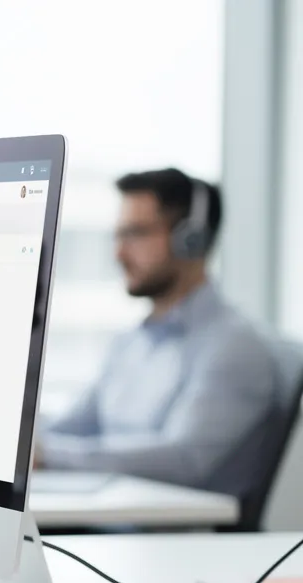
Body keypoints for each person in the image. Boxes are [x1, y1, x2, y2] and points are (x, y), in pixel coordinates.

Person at [35, 168, 278, 496]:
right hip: (106, 522)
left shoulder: (233, 347)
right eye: (118, 236)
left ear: (191, 239)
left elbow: (183, 459)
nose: (118, 254)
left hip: (170, 538)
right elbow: (76, 426)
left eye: (135, 234)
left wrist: (49, 456)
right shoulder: (131, 342)